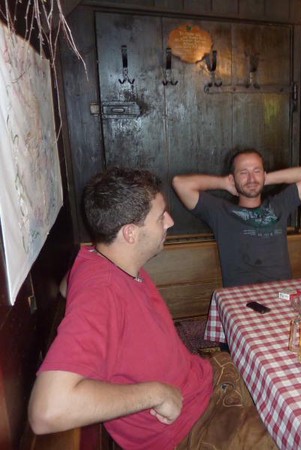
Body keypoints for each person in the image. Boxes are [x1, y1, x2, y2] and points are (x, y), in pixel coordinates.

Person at [28, 167, 275, 450]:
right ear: (130, 233)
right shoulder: (102, 293)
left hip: (209, 378)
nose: (169, 222)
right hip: (194, 426)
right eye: (160, 217)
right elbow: (47, 410)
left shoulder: (95, 257)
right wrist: (155, 393)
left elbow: (67, 286)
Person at [172, 149, 301, 287]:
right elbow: (180, 183)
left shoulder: (279, 205)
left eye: (256, 171)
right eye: (243, 173)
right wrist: (224, 183)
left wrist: (264, 179)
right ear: (232, 178)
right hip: (243, 297)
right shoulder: (221, 212)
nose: (251, 178)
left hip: (281, 293)